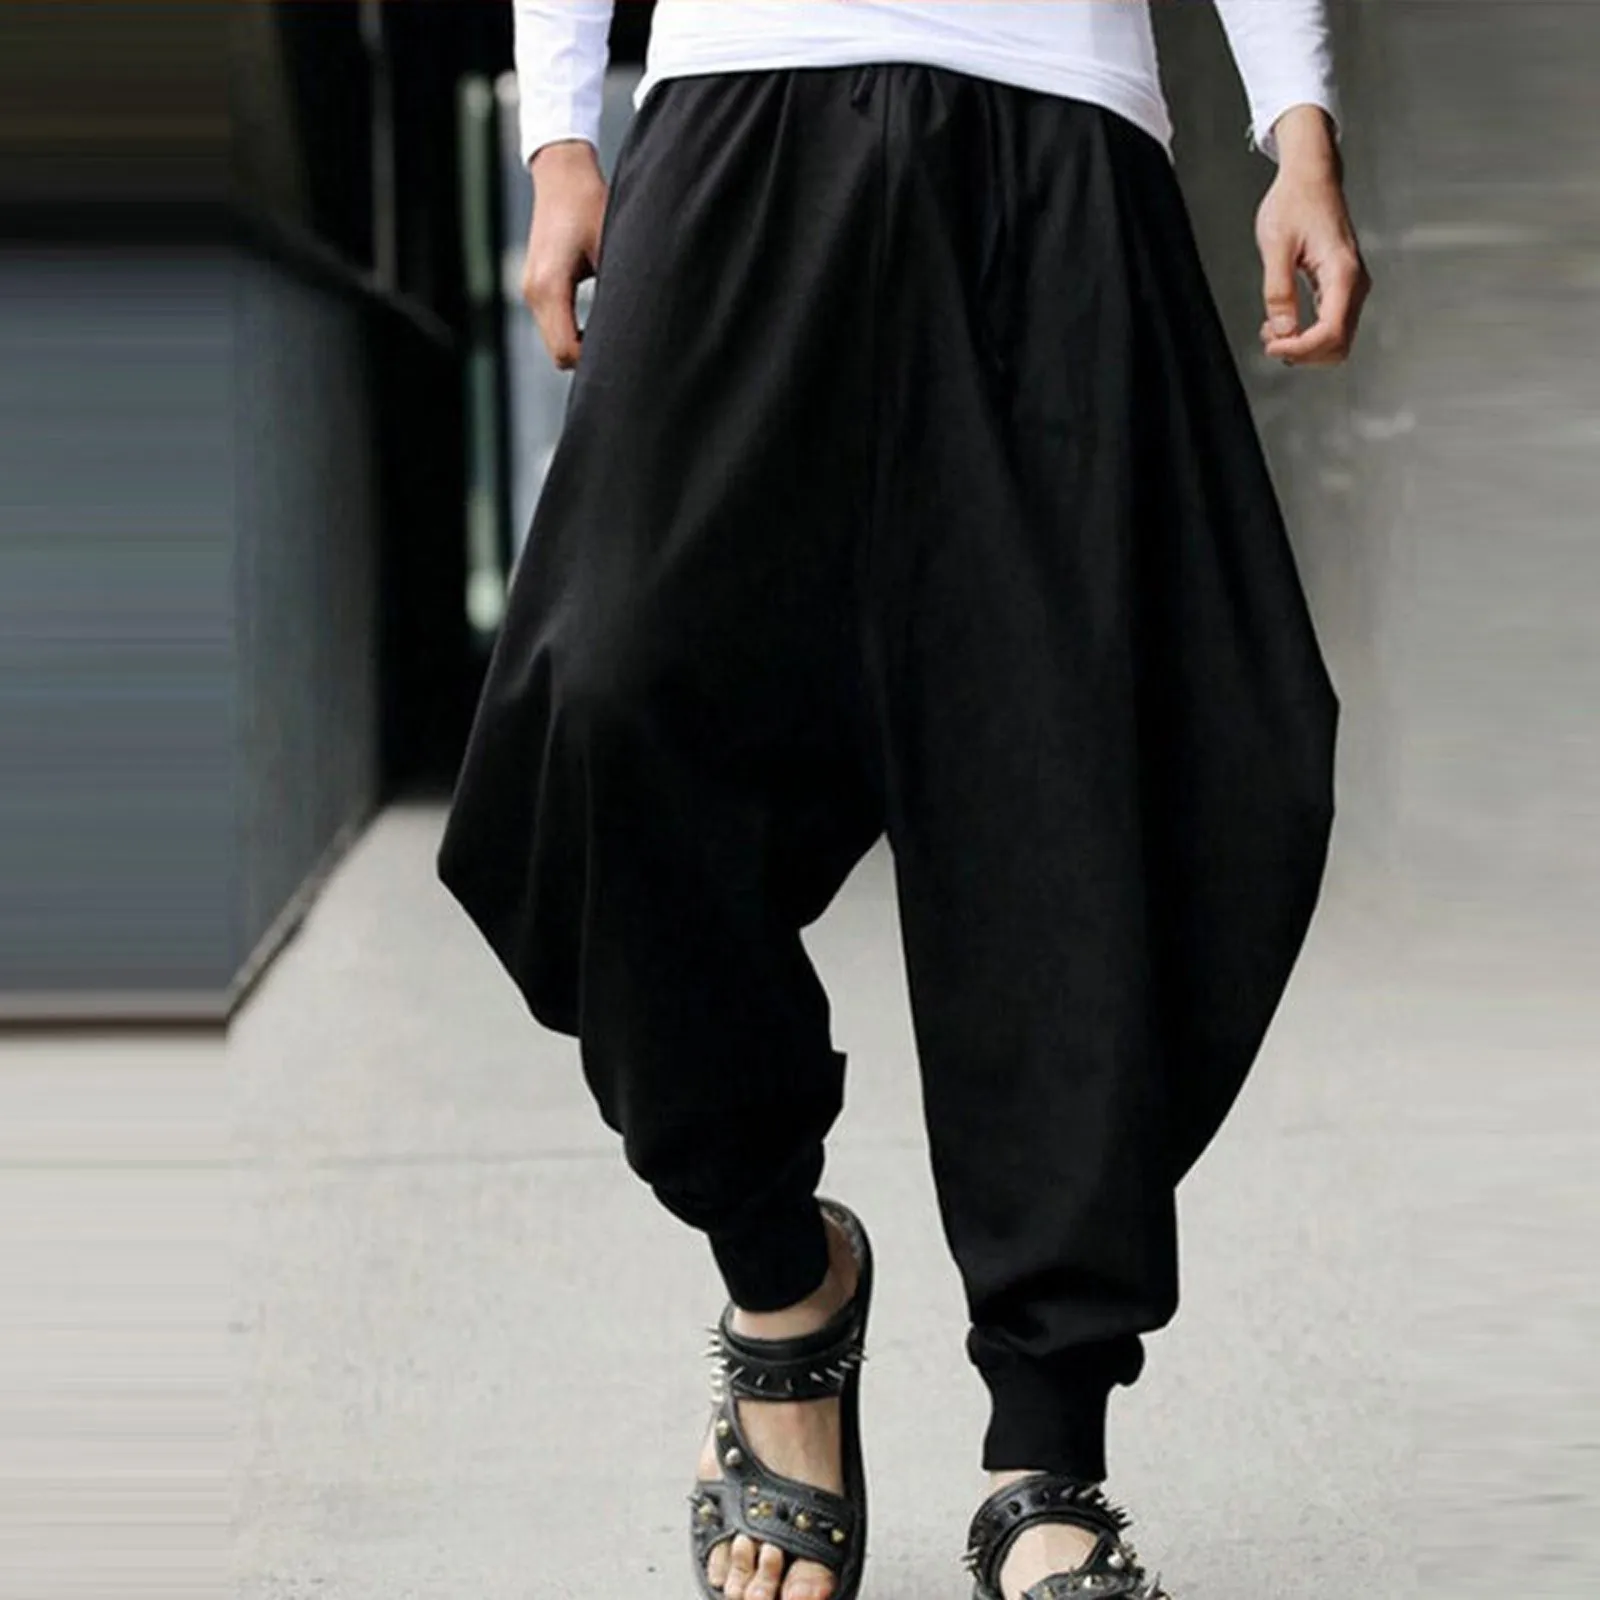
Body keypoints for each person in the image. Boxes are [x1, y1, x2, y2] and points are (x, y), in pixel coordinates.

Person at [439, 4, 1370, 1599]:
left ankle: (1046, 1449)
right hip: (739, 115)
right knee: (604, 708)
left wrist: (1298, 123)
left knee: (1072, 770)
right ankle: (782, 1279)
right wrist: (562, 135)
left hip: (1059, 122)